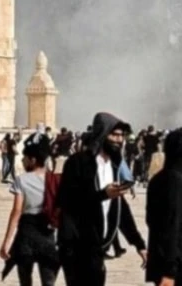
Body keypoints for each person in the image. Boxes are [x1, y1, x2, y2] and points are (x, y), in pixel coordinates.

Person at [57, 112, 147, 285]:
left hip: (98, 248)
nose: (118, 140)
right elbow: (68, 201)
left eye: (121, 135)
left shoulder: (112, 165)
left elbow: (120, 208)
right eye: (114, 134)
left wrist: (139, 244)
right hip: (76, 246)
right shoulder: (78, 163)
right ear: (102, 134)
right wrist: (102, 195)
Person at [0, 133, 59, 286]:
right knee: (48, 281)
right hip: (48, 235)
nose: (22, 160)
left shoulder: (22, 180)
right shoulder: (54, 180)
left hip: (26, 236)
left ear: (32, 160)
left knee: (25, 281)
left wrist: (6, 243)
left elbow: (17, 211)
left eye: (24, 157)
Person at [146, 130, 182, 286]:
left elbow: (151, 221)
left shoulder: (157, 180)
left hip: (163, 262)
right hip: (177, 268)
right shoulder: (176, 182)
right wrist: (169, 271)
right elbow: (172, 226)